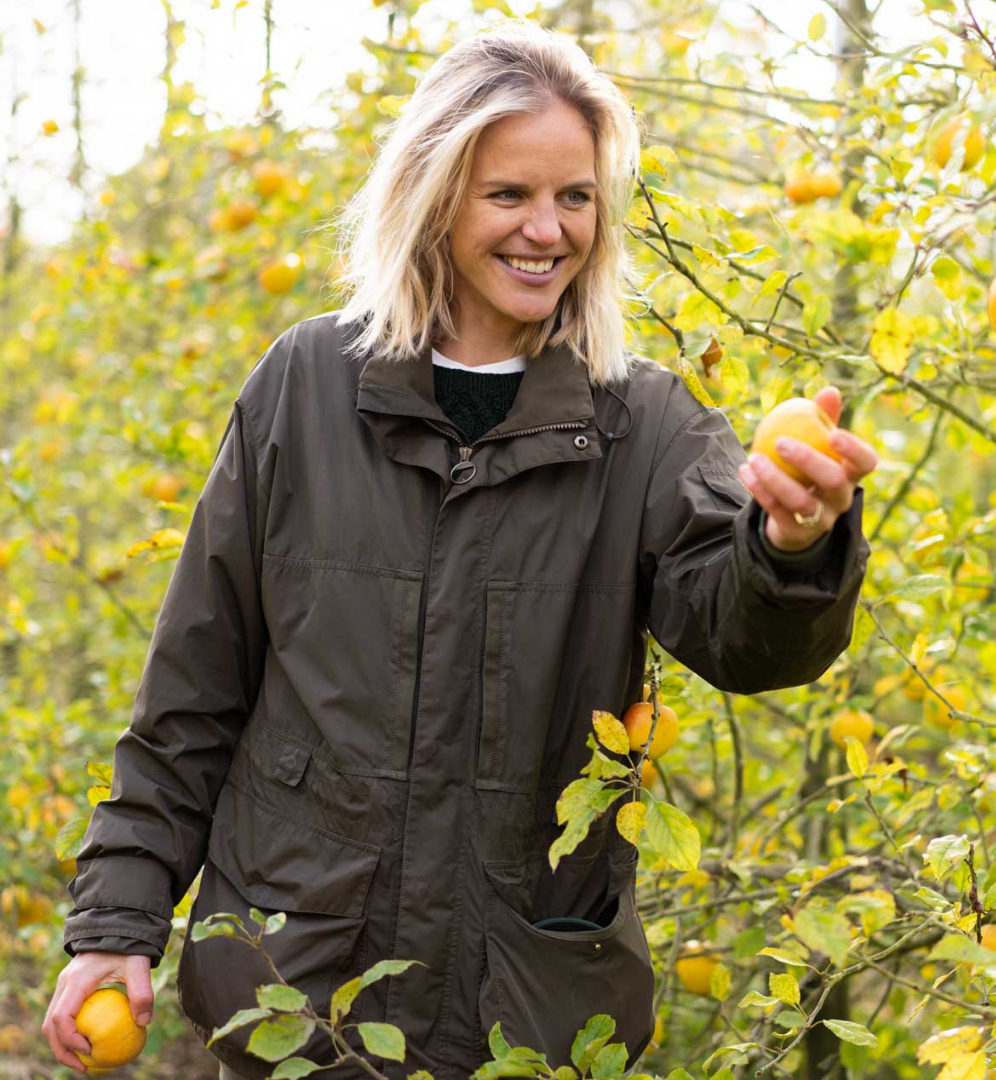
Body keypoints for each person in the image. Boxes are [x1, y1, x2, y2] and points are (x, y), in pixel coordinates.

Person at [44, 19, 876, 1080]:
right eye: (510, 195)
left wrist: (791, 546)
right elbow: (191, 699)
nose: (549, 229)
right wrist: (117, 922)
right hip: (296, 1004)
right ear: (435, 198)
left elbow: (744, 640)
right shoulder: (303, 391)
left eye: (575, 197)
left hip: (527, 1016)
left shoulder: (646, 424)